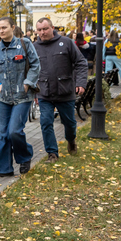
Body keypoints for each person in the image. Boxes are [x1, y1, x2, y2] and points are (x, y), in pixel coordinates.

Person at [0, 17, 41, 177]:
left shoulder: (25, 44)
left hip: (22, 96)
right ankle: (3, 168)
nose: (1, 31)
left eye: (4, 27)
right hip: (2, 97)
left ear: (12, 27)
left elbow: (36, 64)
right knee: (1, 132)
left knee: (14, 131)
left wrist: (27, 82)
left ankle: (24, 156)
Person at [33, 17, 87, 163]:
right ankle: (52, 153)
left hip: (65, 91)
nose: (42, 33)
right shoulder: (34, 47)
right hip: (44, 92)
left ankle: (71, 140)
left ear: (52, 28)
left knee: (69, 123)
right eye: (39, 30)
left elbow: (81, 63)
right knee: (45, 122)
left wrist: (81, 83)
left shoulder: (66, 43)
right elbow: (30, 71)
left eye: (45, 29)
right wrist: (33, 92)